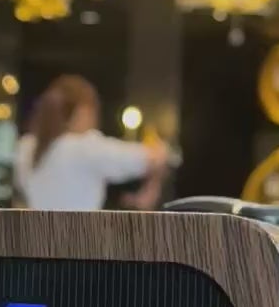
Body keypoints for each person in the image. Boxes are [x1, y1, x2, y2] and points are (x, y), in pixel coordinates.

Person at [14, 74, 169, 211]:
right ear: (82, 111)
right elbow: (154, 157)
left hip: (37, 234)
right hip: (82, 234)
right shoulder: (86, 148)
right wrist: (151, 187)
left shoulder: (25, 147)